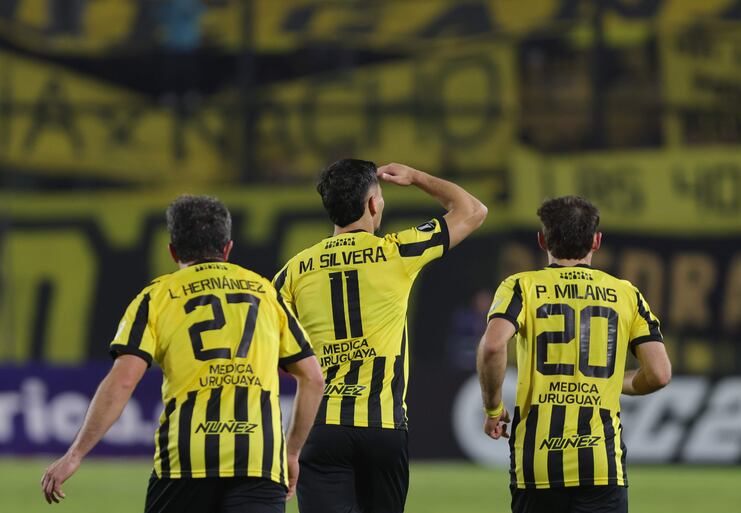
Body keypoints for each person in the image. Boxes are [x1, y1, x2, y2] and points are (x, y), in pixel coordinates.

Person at [41, 195, 324, 513]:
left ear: (173, 251)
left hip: (185, 463)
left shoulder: (156, 297)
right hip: (259, 462)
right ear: (228, 248)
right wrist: (290, 453)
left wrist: (75, 454)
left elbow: (122, 382)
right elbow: (313, 378)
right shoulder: (266, 293)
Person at [274, 159, 487, 513]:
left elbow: (263, 332)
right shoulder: (398, 251)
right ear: (373, 204)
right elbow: (473, 210)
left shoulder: (294, 270)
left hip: (320, 426)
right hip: (383, 427)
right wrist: (417, 177)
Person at [477, 195, 672, 513]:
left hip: (537, 462)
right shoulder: (625, 293)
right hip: (601, 463)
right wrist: (610, 382)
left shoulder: (521, 286)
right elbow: (660, 373)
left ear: (543, 240)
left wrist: (492, 407)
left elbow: (493, 345)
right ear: (596, 241)